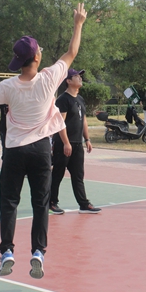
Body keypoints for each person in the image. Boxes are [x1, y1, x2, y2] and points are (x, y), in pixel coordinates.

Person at [0, 2, 87, 280]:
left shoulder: (7, 86)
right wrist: (78, 24)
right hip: (41, 150)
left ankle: (7, 251)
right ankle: (38, 251)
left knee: (9, 202)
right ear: (37, 57)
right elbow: (72, 52)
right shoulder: (49, 78)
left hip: (15, 151)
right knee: (40, 203)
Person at [50, 68, 101, 215]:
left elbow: (83, 120)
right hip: (64, 144)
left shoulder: (80, 99)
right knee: (58, 174)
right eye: (76, 76)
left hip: (78, 144)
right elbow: (60, 123)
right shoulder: (63, 100)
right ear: (68, 81)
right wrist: (66, 143)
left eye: (80, 76)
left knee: (78, 175)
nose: (80, 78)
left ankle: (84, 204)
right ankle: (51, 202)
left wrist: (87, 139)